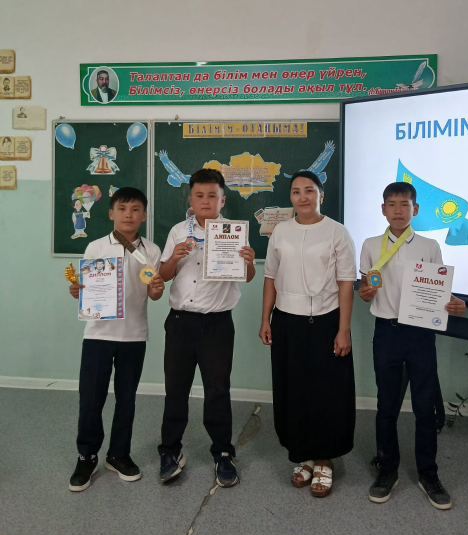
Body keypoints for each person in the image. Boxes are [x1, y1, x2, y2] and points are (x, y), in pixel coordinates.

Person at [358, 181, 466, 510]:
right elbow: (365, 289)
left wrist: (454, 302)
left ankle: (428, 474)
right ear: (383, 210)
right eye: (392, 204)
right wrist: (365, 293)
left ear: (415, 209)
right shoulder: (371, 245)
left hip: (420, 334)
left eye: (404, 204)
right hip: (387, 333)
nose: (398, 210)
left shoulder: (430, 246)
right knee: (386, 407)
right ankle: (387, 469)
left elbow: (436, 290)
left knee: (424, 408)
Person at [259, 170, 357, 498]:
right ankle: (304, 455)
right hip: (287, 322)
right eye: (296, 191)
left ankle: (325, 458)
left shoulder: (337, 232)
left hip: (326, 321)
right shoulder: (281, 232)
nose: (302, 197)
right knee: (294, 390)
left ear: (321, 195)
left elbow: (346, 283)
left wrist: (344, 329)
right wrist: (265, 319)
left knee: (326, 392)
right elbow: (270, 277)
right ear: (290, 197)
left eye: (309, 190)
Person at [157, 168, 256, 487]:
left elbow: (247, 277)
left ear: (222, 200)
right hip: (180, 322)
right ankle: (170, 451)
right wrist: (174, 257)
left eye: (212, 196)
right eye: (199, 195)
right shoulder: (177, 231)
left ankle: (223, 453)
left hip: (217, 324)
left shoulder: (234, 232)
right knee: (176, 390)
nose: (205, 201)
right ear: (191, 198)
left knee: (217, 390)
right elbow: (164, 275)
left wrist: (249, 261)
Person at [67, 187, 164, 492]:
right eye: (122, 209)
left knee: (127, 399)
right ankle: (87, 455)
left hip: (134, 336)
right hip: (98, 334)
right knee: (91, 398)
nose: (128, 215)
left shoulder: (152, 251)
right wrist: (77, 291)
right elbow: (85, 288)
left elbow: (153, 292)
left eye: (135, 209)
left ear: (144, 215)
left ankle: (118, 454)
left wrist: (157, 290)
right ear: (111, 213)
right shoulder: (95, 247)